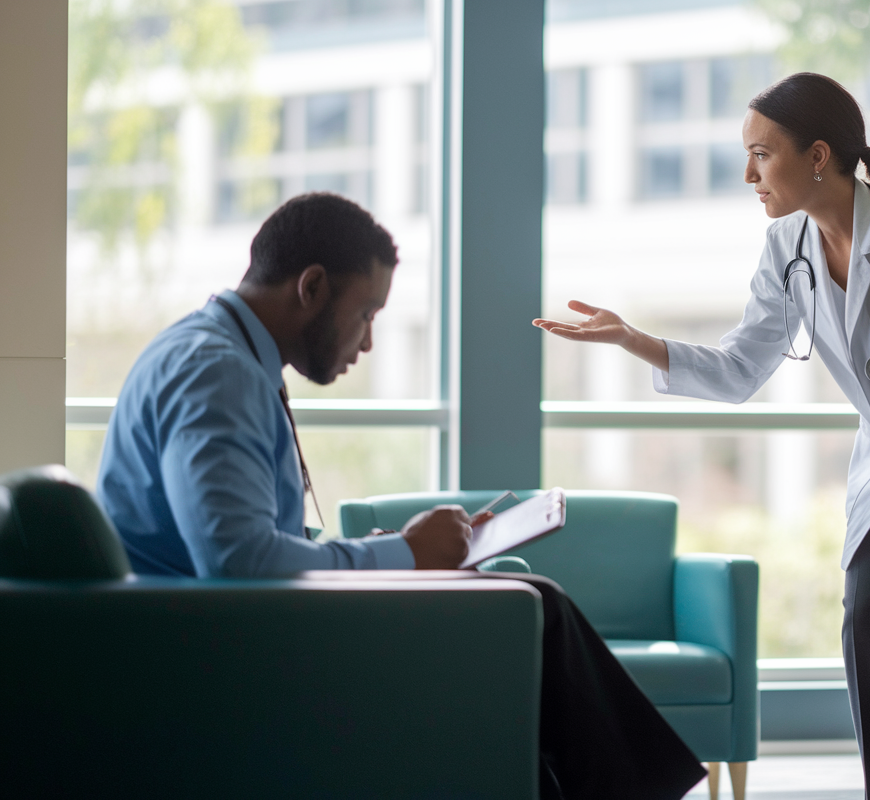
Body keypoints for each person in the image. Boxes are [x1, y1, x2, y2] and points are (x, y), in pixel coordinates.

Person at [534, 73, 870, 800]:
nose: (750, 174)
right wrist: (636, 340)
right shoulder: (788, 245)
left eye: (762, 154)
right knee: (869, 626)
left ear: (818, 155)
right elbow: (737, 368)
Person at [97, 192, 705, 800]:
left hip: (234, 633)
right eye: (366, 314)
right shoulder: (217, 372)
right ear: (311, 287)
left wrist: (389, 551)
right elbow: (239, 565)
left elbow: (243, 544)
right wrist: (406, 556)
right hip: (227, 660)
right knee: (530, 607)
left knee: (518, 610)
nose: (365, 344)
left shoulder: (220, 356)